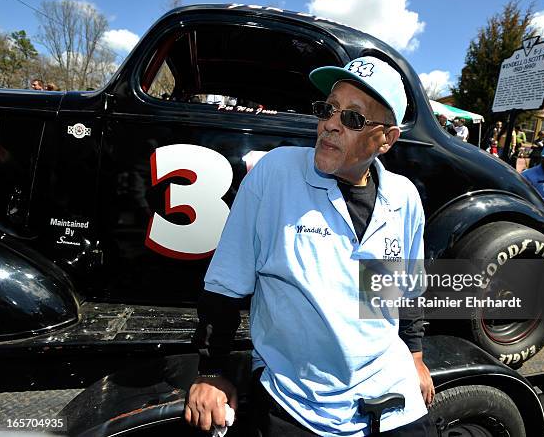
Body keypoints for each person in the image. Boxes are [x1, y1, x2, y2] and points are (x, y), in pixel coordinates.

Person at [185, 56, 435, 436]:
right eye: (328, 109)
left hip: (392, 392)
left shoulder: (404, 197)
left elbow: (402, 290)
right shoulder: (275, 174)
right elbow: (226, 282)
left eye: (352, 118)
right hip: (297, 400)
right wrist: (212, 371)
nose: (330, 124)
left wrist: (414, 356)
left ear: (387, 139)